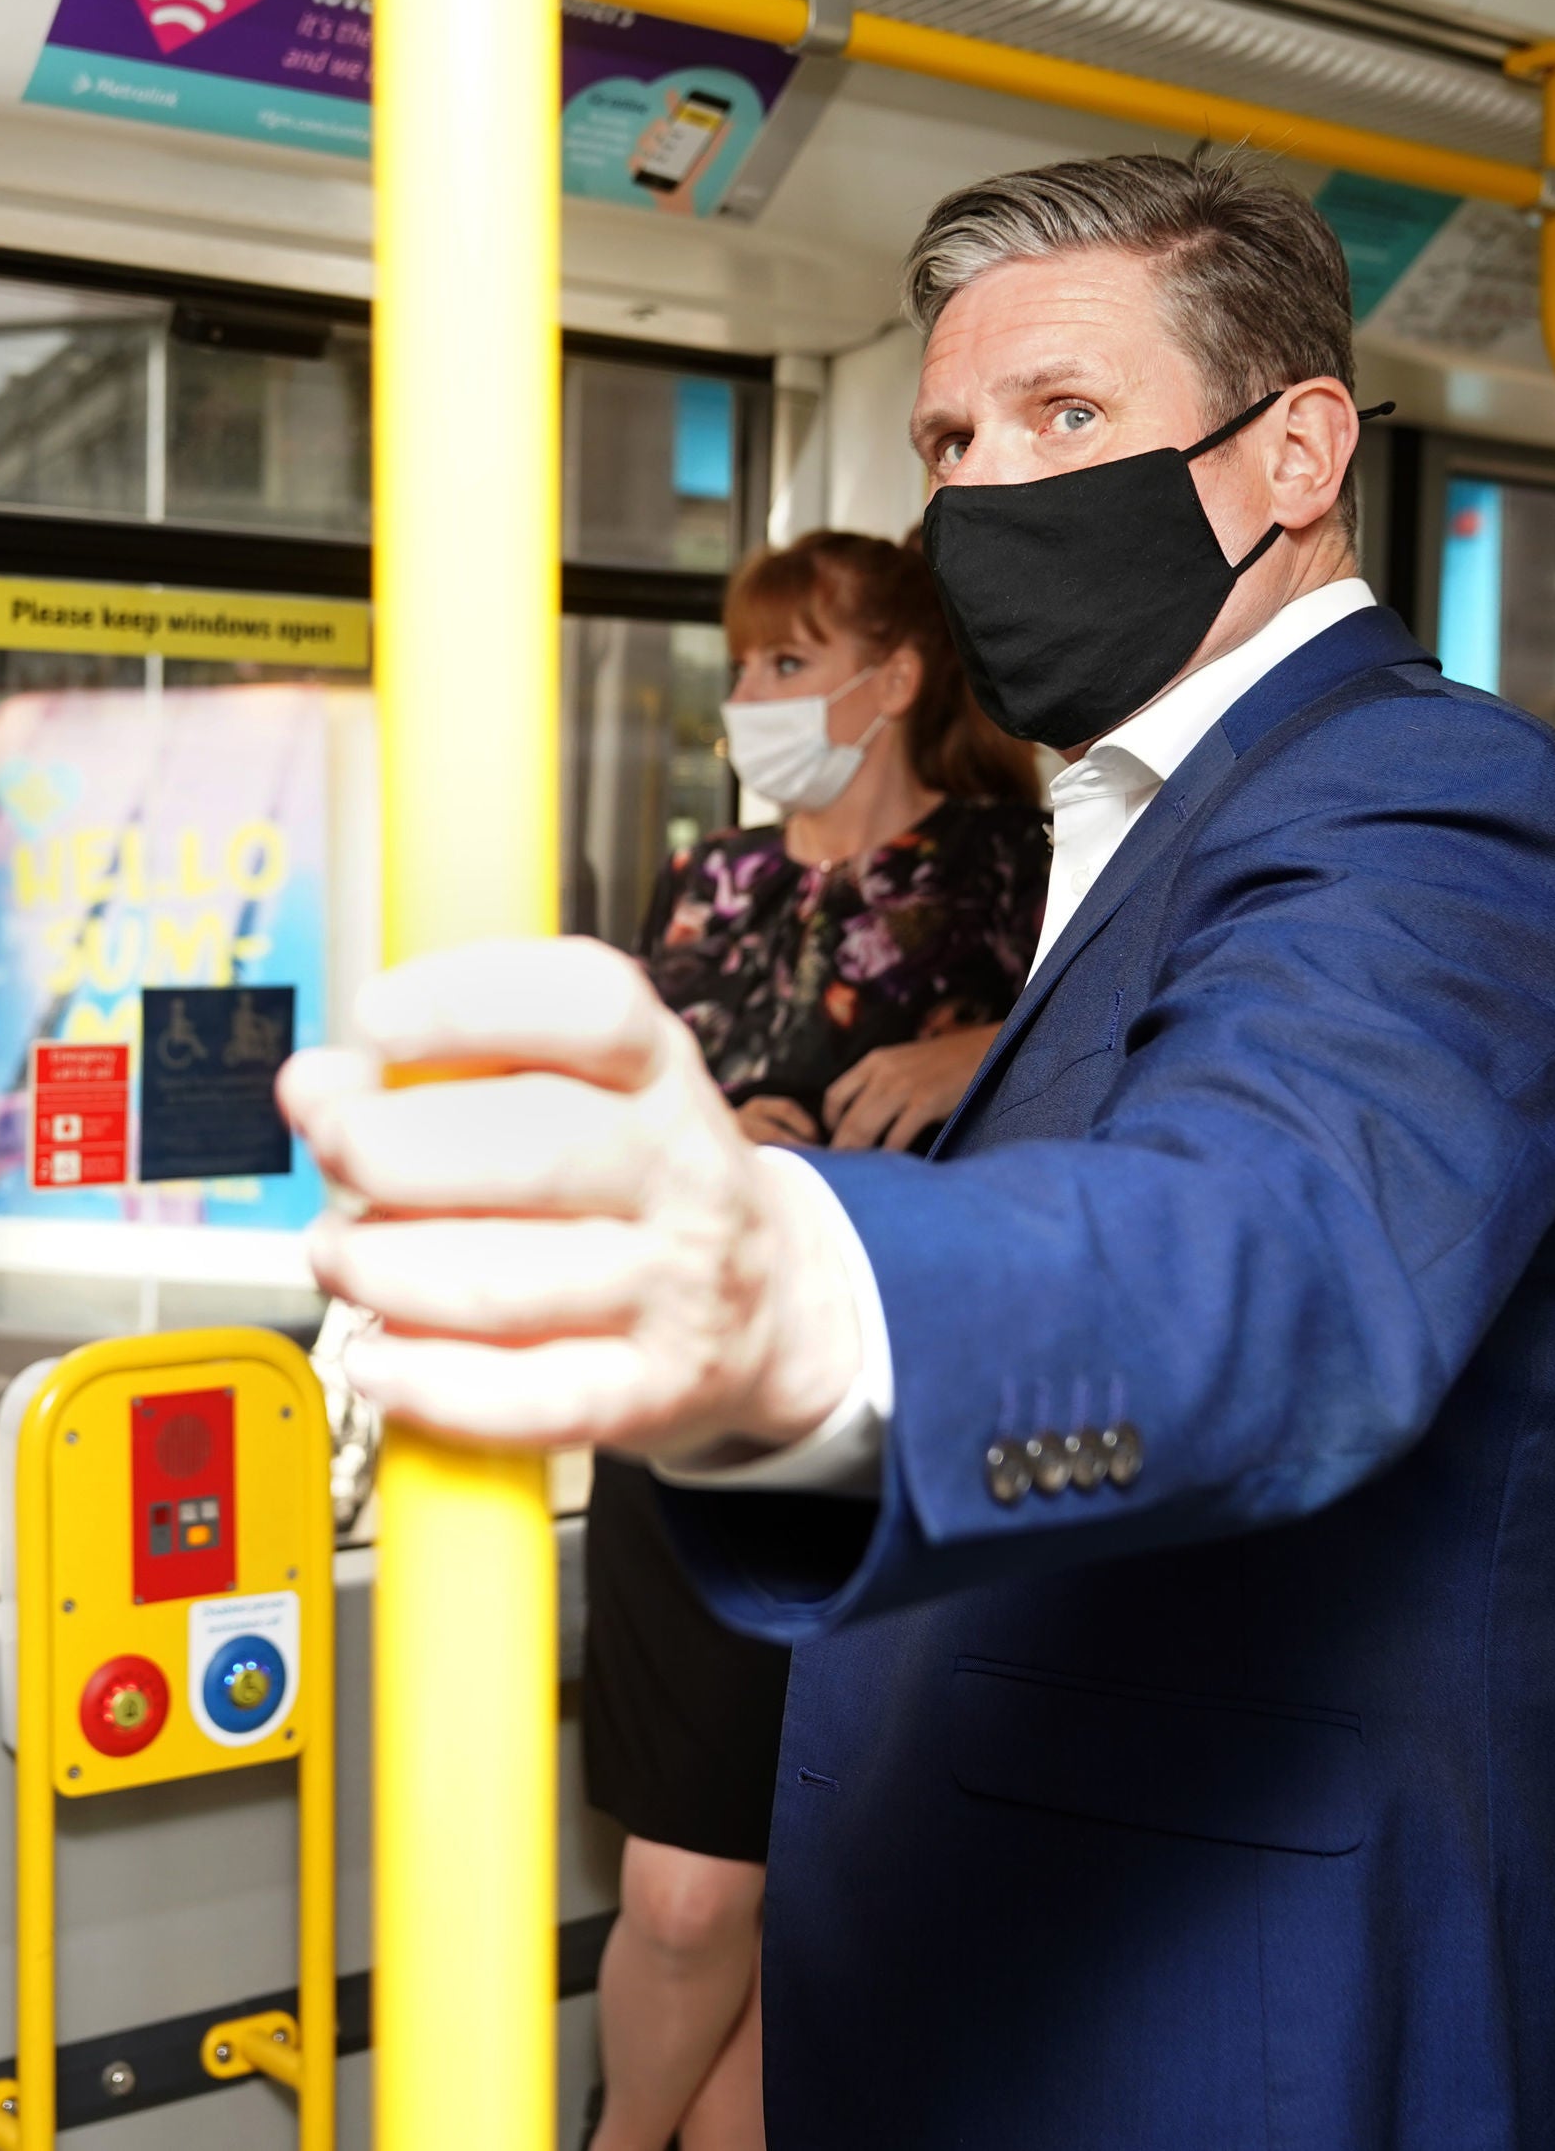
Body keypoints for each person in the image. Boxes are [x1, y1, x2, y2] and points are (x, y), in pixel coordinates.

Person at [285, 155, 1555, 2147]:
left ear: (1296, 447)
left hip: (1283, 2001)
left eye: (1065, 417)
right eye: (949, 439)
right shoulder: (1131, 825)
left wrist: (791, 1289)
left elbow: (1272, 1243)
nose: (985, 492)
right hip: (1036, 1966)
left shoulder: (1431, 804)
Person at [582, 530, 1043, 2151]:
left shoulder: (1020, 871)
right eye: (747, 667)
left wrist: (973, 1053)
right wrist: (721, 1131)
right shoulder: (704, 883)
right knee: (696, 1891)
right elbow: (612, 1125)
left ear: (895, 679)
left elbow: (1132, 1074)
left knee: (813, 1896)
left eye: (787, 664)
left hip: (895, 1406)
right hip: (691, 1407)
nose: (750, 698)